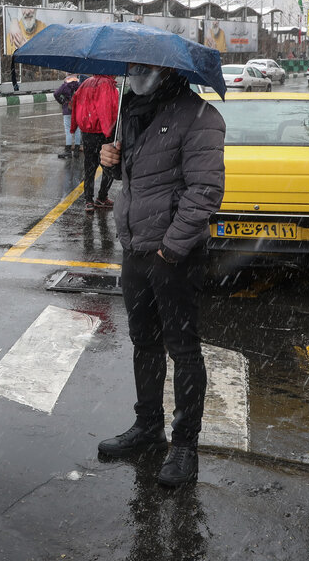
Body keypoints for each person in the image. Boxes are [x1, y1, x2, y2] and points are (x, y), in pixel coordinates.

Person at [95, 63, 226, 488]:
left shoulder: (199, 116)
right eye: (131, 69)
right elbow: (136, 179)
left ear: (167, 71)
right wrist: (110, 159)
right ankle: (147, 426)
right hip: (134, 248)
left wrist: (171, 248)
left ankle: (184, 444)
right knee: (144, 343)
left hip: (174, 255)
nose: (135, 76)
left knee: (183, 350)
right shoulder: (131, 112)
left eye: (145, 69)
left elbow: (204, 191)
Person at [70, 74, 120, 210]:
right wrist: (108, 131)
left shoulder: (86, 83)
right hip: (103, 131)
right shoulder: (106, 84)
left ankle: (88, 200)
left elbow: (75, 103)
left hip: (87, 132)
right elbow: (104, 109)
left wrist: (74, 126)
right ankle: (102, 197)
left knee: (89, 166)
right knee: (109, 164)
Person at [53, 75, 83, 158]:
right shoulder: (79, 85)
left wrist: (62, 102)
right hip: (77, 110)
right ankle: (76, 151)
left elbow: (56, 94)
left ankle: (68, 151)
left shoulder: (65, 85)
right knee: (77, 130)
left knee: (68, 130)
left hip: (67, 110)